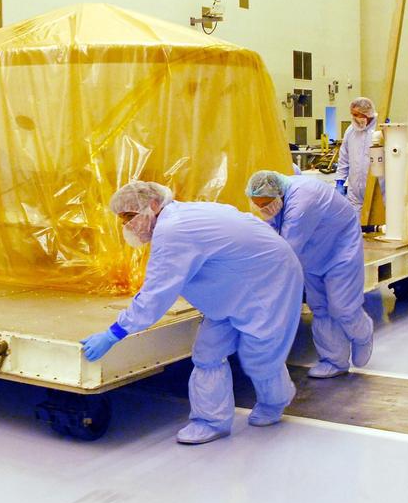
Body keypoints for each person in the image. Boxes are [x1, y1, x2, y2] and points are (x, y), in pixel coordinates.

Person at [80, 181, 304, 445]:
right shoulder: (178, 218)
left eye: (130, 216)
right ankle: (211, 421)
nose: (127, 225)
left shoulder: (174, 229)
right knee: (208, 353)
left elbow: (156, 294)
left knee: (261, 354)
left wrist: (114, 333)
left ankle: (274, 402)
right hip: (232, 286)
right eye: (122, 220)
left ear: (154, 205)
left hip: (270, 280)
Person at [246, 170, 374, 378]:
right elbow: (270, 235)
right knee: (320, 307)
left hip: (340, 250)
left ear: (277, 194)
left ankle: (363, 333)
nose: (263, 208)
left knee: (343, 307)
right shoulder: (277, 198)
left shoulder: (303, 198)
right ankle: (334, 361)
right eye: (258, 205)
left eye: (266, 203)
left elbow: (287, 248)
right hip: (312, 255)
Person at [336, 97, 378, 210]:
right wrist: (340, 181)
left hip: (378, 191)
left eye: (356, 115)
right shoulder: (351, 131)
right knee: (355, 219)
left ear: (367, 113)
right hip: (354, 194)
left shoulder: (380, 129)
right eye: (352, 114)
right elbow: (344, 159)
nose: (354, 118)